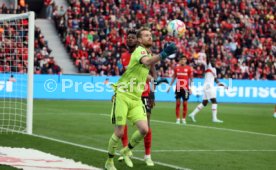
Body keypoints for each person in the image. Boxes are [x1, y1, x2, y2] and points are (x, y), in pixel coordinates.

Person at [104, 27, 177, 170]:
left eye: (150, 35)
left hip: (136, 98)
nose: (150, 37)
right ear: (139, 40)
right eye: (146, 35)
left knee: (144, 129)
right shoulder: (140, 51)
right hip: (124, 95)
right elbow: (147, 62)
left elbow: (143, 73)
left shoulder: (147, 52)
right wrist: (164, 54)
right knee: (119, 131)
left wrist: (155, 81)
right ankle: (109, 161)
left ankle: (126, 150)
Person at [118, 29, 156, 166]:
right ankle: (126, 150)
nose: (130, 39)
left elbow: (153, 75)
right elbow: (126, 75)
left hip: (144, 93)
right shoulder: (123, 56)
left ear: (138, 40)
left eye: (133, 37)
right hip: (127, 93)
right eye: (128, 37)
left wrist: (152, 93)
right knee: (122, 123)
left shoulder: (147, 54)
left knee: (147, 125)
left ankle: (147, 155)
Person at [188, 55, 227, 123]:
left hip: (207, 86)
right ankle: (214, 119)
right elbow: (207, 59)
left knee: (205, 102)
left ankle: (192, 114)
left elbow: (216, 80)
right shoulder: (208, 66)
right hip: (208, 86)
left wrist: (223, 85)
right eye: (212, 61)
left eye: (214, 61)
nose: (213, 62)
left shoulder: (214, 70)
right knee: (214, 101)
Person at [167, 56, 193, 125]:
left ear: (186, 60)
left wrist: (191, 88)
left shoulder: (188, 68)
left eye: (184, 59)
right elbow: (173, 78)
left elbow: (191, 79)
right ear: (180, 60)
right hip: (178, 88)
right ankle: (178, 119)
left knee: (185, 104)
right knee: (178, 104)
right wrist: (169, 87)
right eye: (182, 59)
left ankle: (184, 119)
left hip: (185, 89)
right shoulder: (177, 68)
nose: (183, 60)